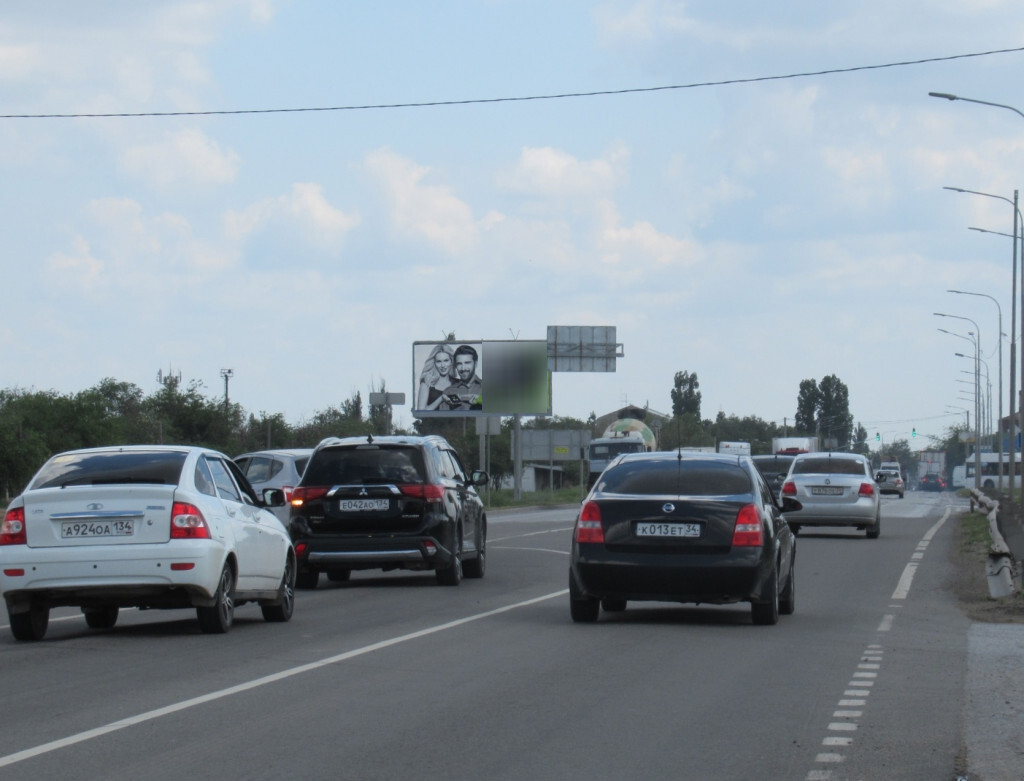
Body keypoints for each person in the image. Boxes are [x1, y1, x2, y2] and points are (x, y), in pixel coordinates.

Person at [416, 344, 456, 411]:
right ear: (434, 363)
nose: (443, 365)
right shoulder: (427, 382)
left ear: (451, 361)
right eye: (439, 361)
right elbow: (420, 412)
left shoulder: (457, 383)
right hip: (432, 421)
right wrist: (441, 399)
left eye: (446, 360)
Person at [444, 344, 483, 410]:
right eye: (459, 364)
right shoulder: (449, 391)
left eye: (467, 363)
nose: (463, 368)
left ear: (475, 364)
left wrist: (480, 400)